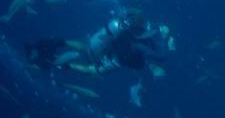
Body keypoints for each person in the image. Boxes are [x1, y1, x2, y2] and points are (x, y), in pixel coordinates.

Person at [26, 8, 174, 76]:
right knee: (92, 69)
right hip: (120, 57)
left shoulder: (144, 24)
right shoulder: (156, 38)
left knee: (88, 48)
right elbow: (162, 56)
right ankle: (62, 64)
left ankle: (60, 42)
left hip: (115, 41)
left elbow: (131, 15)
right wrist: (142, 46)